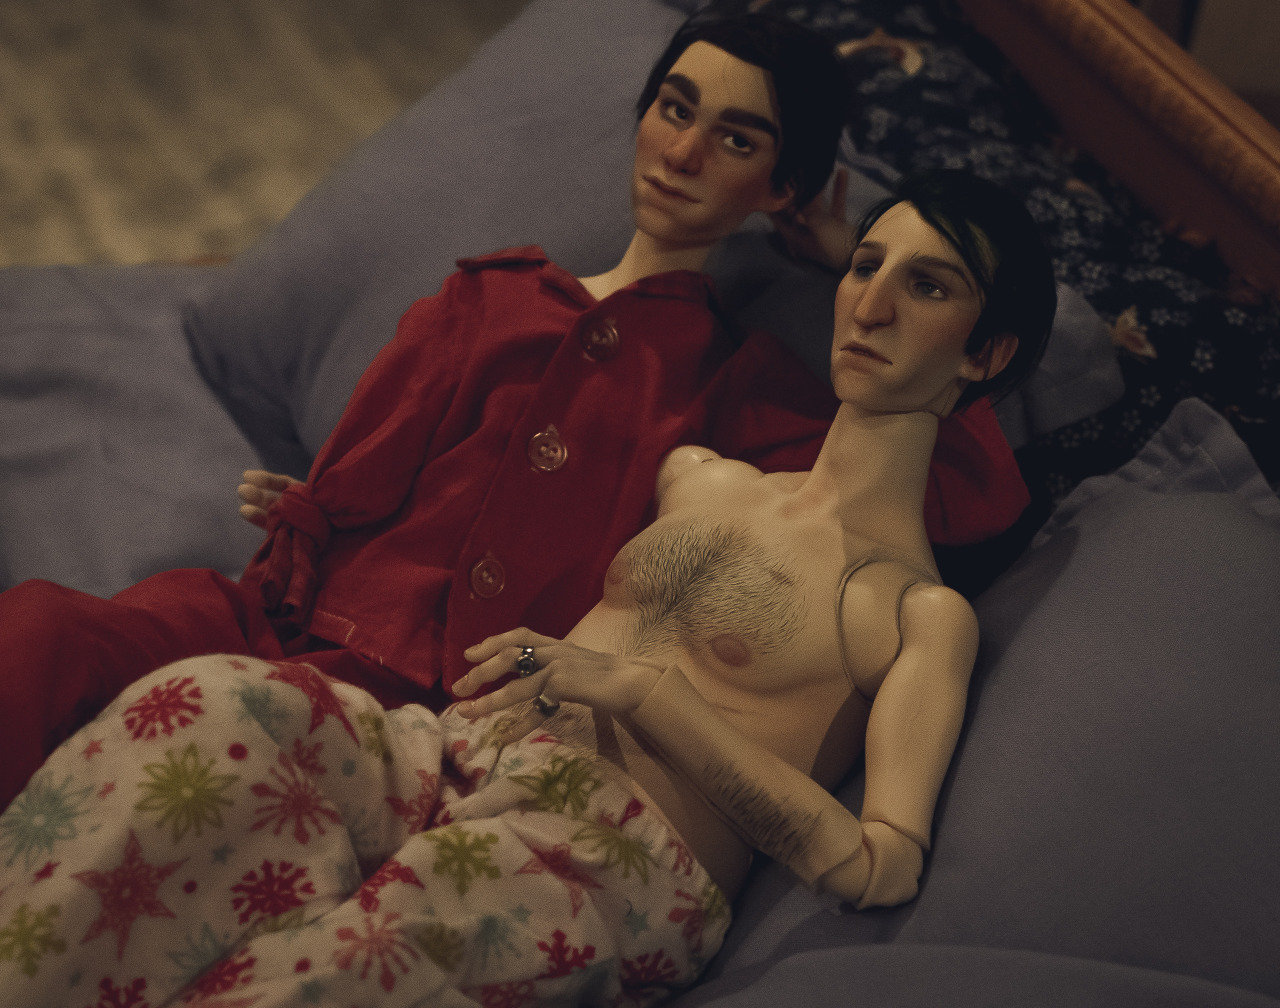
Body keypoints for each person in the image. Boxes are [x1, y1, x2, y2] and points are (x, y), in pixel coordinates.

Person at [0, 170, 1057, 1007]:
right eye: (865, 266)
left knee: (341, 970)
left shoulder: (915, 612)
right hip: (453, 752)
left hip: (609, 861)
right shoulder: (700, 477)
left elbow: (878, 867)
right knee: (220, 709)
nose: (871, 303)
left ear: (988, 350)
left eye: (927, 286)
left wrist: (648, 695)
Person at [0, 14, 1029, 812]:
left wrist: (842, 260)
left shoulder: (736, 384)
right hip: (272, 622)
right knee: (40, 631)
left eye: (734, 139)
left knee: (183, 788)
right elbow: (355, 486)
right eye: (673, 109)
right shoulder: (486, 294)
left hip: (423, 717)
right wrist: (303, 518)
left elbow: (963, 490)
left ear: (781, 186)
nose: (681, 153)